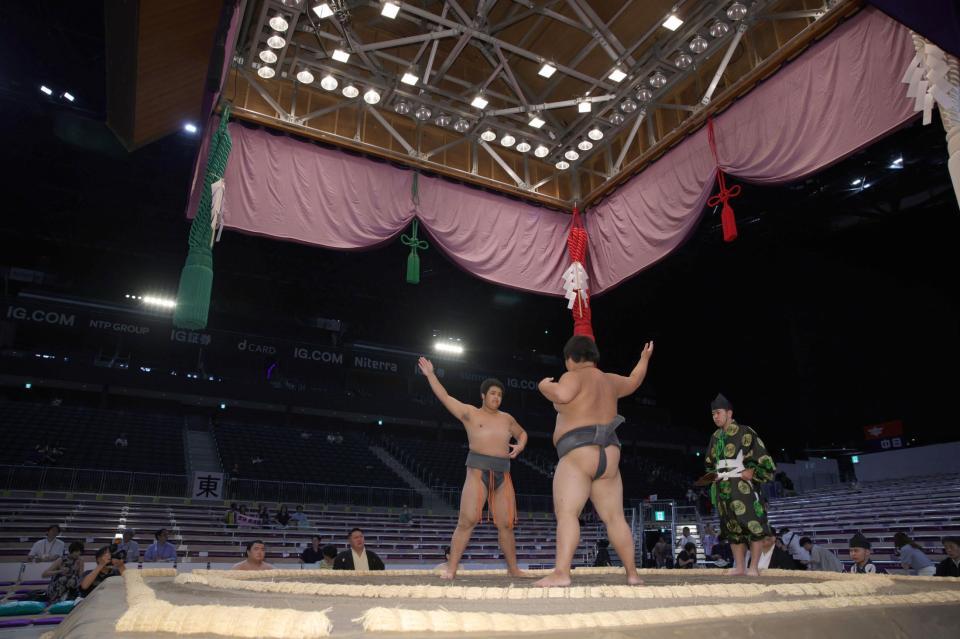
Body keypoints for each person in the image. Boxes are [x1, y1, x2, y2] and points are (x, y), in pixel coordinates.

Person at [533, 336, 653, 587]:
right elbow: (634, 380)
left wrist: (544, 386)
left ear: (571, 359)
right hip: (609, 453)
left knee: (567, 513)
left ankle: (562, 573)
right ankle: (632, 574)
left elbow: (563, 394)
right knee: (615, 517)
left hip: (579, 452)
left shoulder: (573, 377)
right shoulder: (609, 380)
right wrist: (644, 359)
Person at [418, 357, 529, 580]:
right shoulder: (470, 413)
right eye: (492, 393)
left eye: (499, 394)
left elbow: (523, 433)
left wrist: (520, 446)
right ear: (483, 396)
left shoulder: (507, 418)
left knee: (506, 524)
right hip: (477, 472)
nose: (496, 397)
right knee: (466, 521)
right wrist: (431, 375)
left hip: (502, 474)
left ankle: (513, 569)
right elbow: (445, 397)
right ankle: (451, 569)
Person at [703, 393, 776, 577]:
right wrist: (713, 475)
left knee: (752, 526)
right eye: (713, 414)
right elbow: (710, 462)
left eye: (718, 413)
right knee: (731, 528)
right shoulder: (715, 436)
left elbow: (764, 459)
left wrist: (753, 472)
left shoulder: (745, 432)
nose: (715, 417)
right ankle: (741, 567)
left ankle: (753, 567)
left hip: (742, 485)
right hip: (723, 487)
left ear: (729, 413)